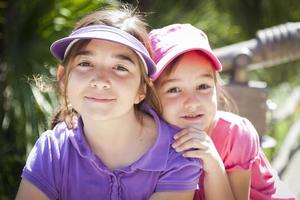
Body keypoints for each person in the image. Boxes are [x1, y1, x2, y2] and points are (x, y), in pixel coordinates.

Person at [15, 8, 202, 200]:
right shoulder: (52, 150)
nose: (100, 80)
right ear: (63, 78)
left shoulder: (177, 152)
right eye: (85, 63)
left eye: (120, 67)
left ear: (142, 89)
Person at [149, 23, 296, 200]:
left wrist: (214, 164)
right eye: (174, 89)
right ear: (151, 95)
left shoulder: (234, 134)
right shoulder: (148, 136)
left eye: (203, 86)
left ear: (217, 88)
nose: (192, 102)